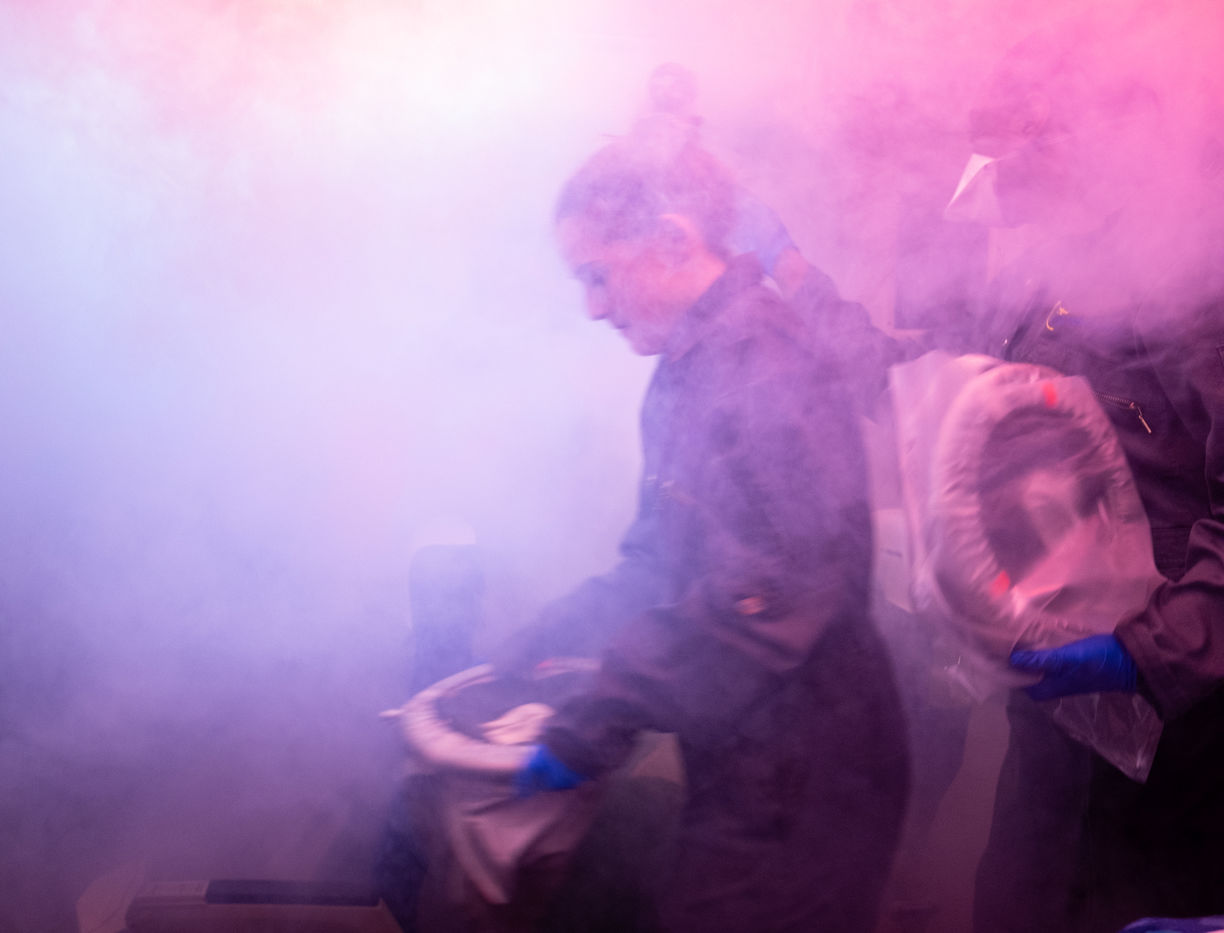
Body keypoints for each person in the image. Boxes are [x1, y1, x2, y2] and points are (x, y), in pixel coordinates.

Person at [503, 100, 911, 931]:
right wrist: (546, 637)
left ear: (673, 240)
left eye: (597, 274)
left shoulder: (767, 363)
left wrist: (600, 714)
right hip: (748, 754)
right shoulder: (688, 365)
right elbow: (656, 560)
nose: (592, 307)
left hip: (811, 771)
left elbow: (768, 594)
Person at [917, 25, 1224, 932]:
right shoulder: (1051, 270)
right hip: (1061, 712)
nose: (1004, 186)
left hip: (1177, 724)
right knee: (1020, 897)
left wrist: (1157, 648)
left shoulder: (1194, 276)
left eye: (1023, 154)